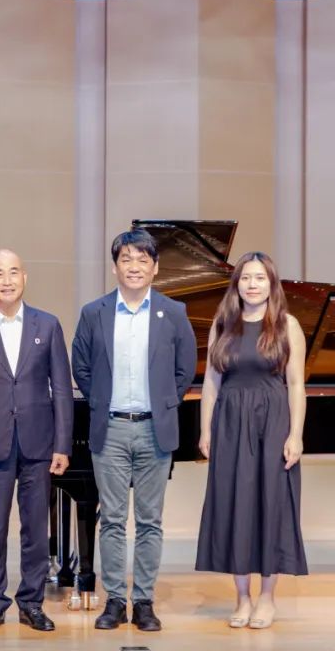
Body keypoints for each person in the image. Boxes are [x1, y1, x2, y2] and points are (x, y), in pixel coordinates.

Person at [71, 229, 197, 632]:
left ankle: (143, 601)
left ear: (155, 268)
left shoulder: (173, 312)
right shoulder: (94, 312)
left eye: (143, 260)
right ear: (115, 267)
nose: (135, 266)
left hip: (153, 430)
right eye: (127, 259)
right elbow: (81, 365)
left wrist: (164, 402)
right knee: (110, 519)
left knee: (149, 520)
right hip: (109, 429)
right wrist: (99, 400)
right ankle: (114, 601)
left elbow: (185, 369)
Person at [0, 249, 73, 633]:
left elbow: (62, 390)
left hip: (39, 443)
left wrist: (63, 444)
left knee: (36, 529)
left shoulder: (48, 325)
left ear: (25, 278)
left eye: (13, 272)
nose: (7, 280)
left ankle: (32, 603)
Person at [195, 252, 307, 629]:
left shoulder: (287, 325)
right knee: (235, 505)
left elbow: (296, 384)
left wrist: (296, 435)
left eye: (260, 278)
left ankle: (267, 598)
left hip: (272, 421)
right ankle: (242, 597)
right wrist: (206, 430)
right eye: (246, 278)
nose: (252, 284)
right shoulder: (223, 323)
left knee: (271, 505)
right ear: (237, 284)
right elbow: (211, 383)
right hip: (229, 421)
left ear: (271, 284)